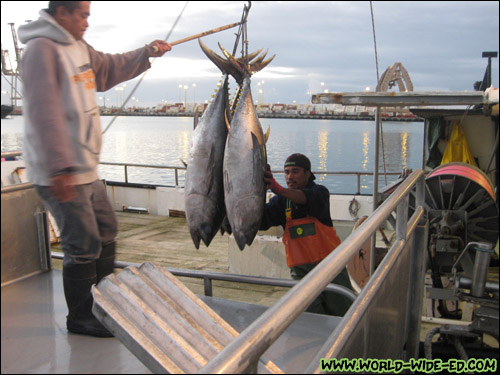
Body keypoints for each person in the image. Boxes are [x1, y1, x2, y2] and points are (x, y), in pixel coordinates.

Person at [18, 1, 172, 337]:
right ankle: (81, 318)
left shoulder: (79, 47)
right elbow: (44, 113)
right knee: (83, 243)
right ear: (62, 13)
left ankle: (105, 304)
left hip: (85, 166)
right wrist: (60, 169)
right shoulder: (40, 51)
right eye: (83, 14)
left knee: (106, 230)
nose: (88, 21)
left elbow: (106, 69)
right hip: (59, 171)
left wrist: (146, 53)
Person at [262, 153, 354, 316]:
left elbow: (305, 198)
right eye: (287, 172)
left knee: (344, 313)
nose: (290, 176)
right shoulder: (281, 202)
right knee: (310, 317)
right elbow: (261, 221)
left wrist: (279, 189)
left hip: (331, 268)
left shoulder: (320, 193)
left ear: (308, 173)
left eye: (295, 171)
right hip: (301, 274)